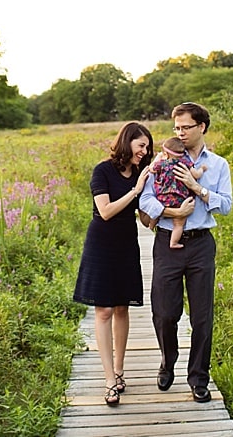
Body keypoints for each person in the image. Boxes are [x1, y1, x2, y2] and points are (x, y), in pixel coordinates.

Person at [139, 102, 232, 403]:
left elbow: (226, 205)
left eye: (186, 127)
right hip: (167, 241)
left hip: (201, 243)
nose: (180, 132)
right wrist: (171, 210)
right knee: (165, 312)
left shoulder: (217, 165)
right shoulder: (162, 160)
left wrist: (198, 187)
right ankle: (168, 361)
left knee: (202, 316)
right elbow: (146, 200)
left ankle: (198, 378)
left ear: (202, 126)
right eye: (176, 128)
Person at [72, 121, 153, 405]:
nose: (144, 151)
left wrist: (169, 213)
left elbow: (144, 216)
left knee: (122, 307)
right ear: (127, 141)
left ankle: (120, 370)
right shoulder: (103, 170)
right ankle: (108, 379)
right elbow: (105, 211)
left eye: (147, 147)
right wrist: (135, 190)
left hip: (126, 243)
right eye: (141, 145)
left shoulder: (140, 174)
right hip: (101, 243)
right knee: (103, 310)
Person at [148, 136, 206, 249]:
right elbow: (196, 175)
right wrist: (202, 169)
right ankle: (173, 242)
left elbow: (151, 169)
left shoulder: (162, 163)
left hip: (163, 198)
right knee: (179, 223)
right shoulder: (185, 162)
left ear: (166, 153)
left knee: (158, 210)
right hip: (180, 199)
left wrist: (158, 158)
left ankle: (151, 224)